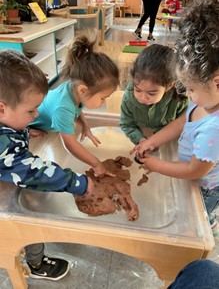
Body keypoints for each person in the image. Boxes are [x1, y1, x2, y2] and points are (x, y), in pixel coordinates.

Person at [0, 49, 94, 280]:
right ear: (1, 108)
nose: (36, 114)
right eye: (30, 111)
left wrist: (24, 129)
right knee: (24, 224)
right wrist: (78, 183)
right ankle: (36, 264)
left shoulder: (9, 123)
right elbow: (35, 172)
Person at [131, 0, 219, 235]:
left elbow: (194, 170)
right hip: (188, 172)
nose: (187, 95)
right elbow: (182, 122)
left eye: (190, 89)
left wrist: (155, 164)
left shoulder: (215, 129)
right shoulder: (205, 100)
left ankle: (210, 224)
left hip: (203, 189)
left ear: (217, 83)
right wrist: (152, 141)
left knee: (199, 224)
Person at [30, 33, 119, 178]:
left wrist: (85, 125)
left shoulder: (75, 89)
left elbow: (76, 109)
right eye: (103, 98)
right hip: (26, 122)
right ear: (83, 90)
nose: (104, 102)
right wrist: (97, 164)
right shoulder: (63, 108)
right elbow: (70, 145)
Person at [120, 44, 189, 146]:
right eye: (138, 90)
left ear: (169, 86)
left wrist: (158, 139)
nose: (143, 98)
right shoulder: (128, 98)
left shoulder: (180, 99)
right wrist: (141, 139)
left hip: (168, 142)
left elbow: (184, 126)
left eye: (151, 93)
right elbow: (127, 124)